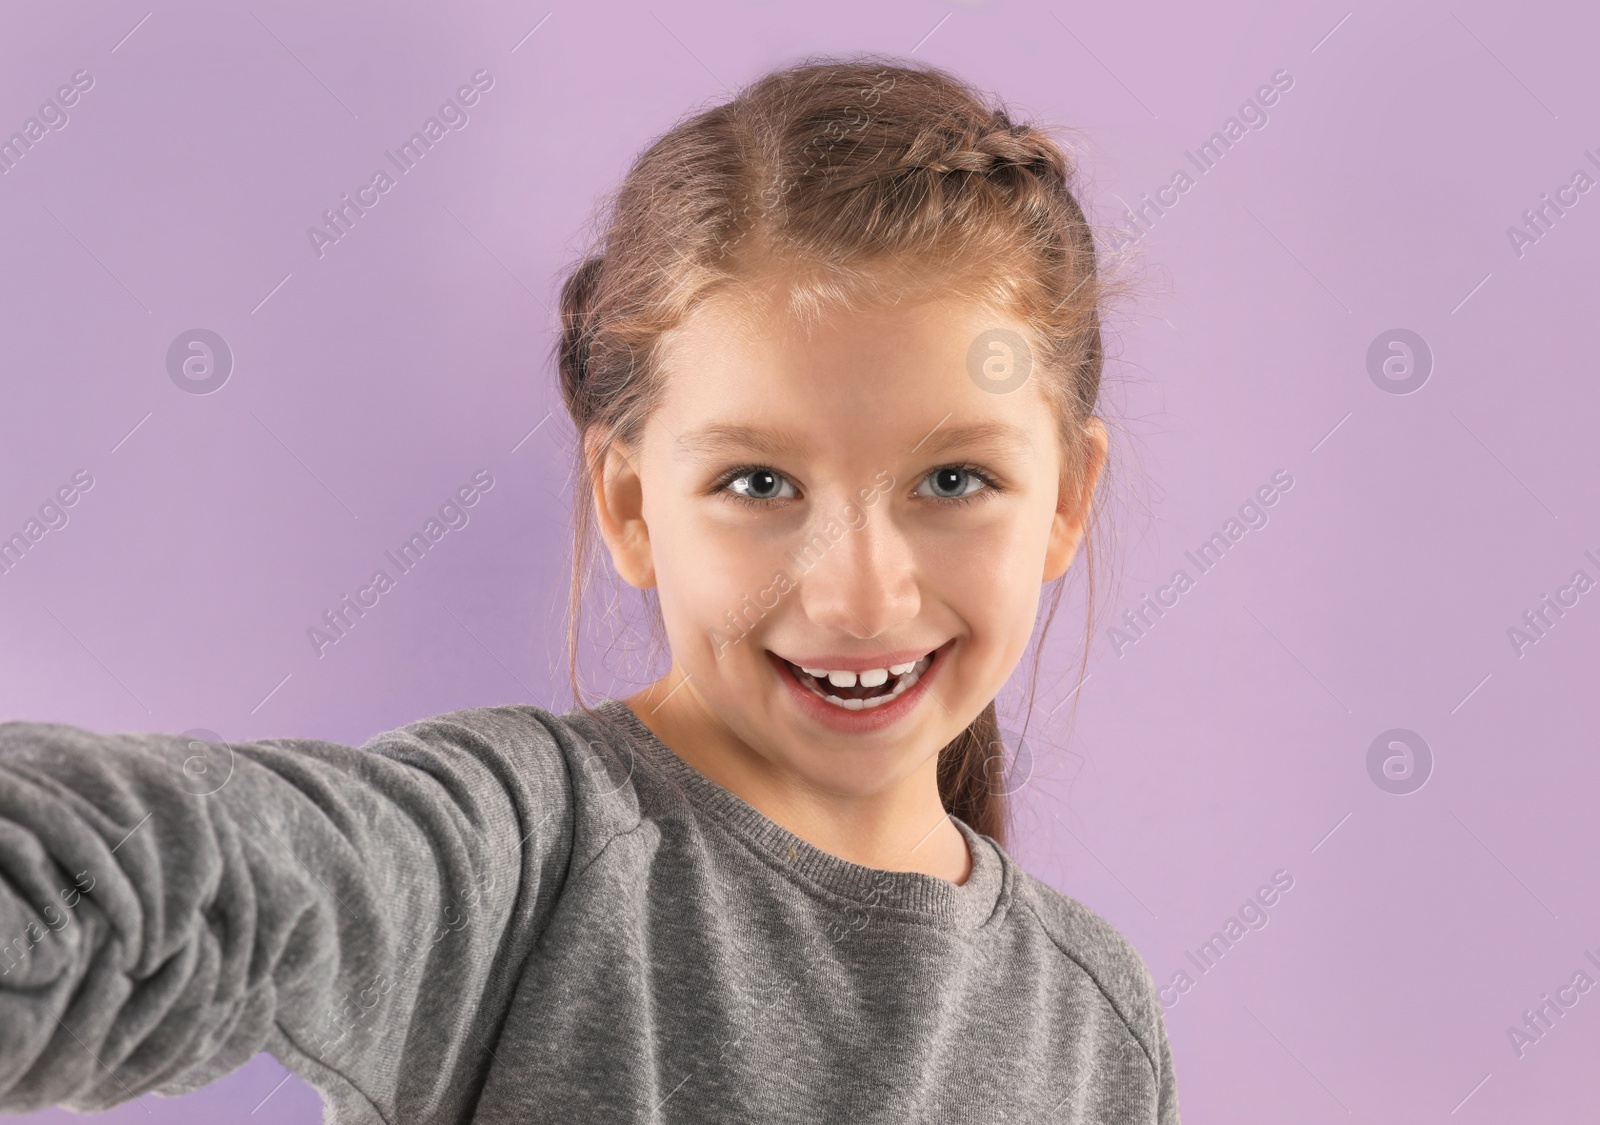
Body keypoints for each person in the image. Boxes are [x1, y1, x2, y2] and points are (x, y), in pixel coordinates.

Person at [0, 55, 1179, 1123]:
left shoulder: (1094, 1025)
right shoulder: (514, 856)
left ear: (1066, 501)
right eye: (759, 480)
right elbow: (190, 879)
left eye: (955, 477)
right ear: (628, 506)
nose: (860, 599)